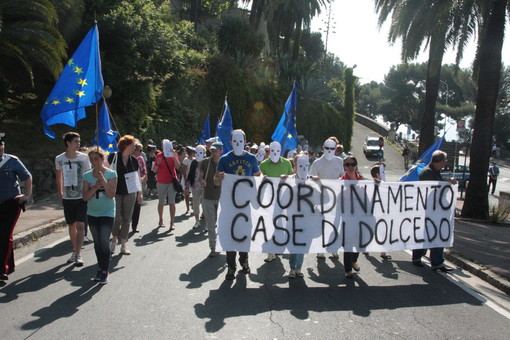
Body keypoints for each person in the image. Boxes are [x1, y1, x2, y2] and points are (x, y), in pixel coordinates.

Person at [214, 129, 261, 280]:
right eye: (235, 141)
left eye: (241, 141)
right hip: (229, 204)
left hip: (245, 204)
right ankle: (231, 267)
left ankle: (244, 261)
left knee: (244, 234)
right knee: (229, 234)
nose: (238, 144)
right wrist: (220, 178)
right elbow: (215, 181)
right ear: (230, 142)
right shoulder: (224, 159)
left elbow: (258, 177)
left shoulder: (252, 158)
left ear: (245, 141)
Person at [412, 150, 456, 272]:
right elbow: (432, 187)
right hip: (427, 210)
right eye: (444, 161)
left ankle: (437, 263)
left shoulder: (435, 172)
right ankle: (417, 257)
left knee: (438, 235)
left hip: (436, 211)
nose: (445, 163)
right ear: (440, 161)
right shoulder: (427, 172)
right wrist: (447, 182)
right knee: (425, 235)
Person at [83, 147, 117, 284]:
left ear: (102, 159)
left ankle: (105, 270)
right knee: (97, 243)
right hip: (92, 213)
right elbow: (85, 197)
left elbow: (111, 195)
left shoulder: (112, 174)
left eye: (96, 159)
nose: (93, 162)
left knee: (104, 240)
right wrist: (95, 188)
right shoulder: (87, 176)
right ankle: (100, 267)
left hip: (107, 212)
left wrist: (102, 180)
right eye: (91, 159)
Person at [55, 132, 91, 266]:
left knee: (81, 225)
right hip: (68, 197)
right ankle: (74, 250)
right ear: (68, 143)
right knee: (72, 225)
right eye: (76, 141)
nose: (79, 143)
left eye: (79, 141)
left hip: (81, 196)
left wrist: (88, 192)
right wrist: (60, 192)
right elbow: (59, 175)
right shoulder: (59, 158)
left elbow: (87, 175)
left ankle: (79, 254)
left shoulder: (84, 158)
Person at [0, 135, 32, 281]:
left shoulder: (11, 161)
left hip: (10, 203)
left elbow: (27, 177)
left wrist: (26, 195)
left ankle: (2, 270)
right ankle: (9, 265)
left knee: (5, 235)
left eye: (1, 145)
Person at [259, 141, 294, 262]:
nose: (275, 153)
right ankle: (270, 251)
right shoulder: (263, 164)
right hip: (268, 200)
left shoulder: (287, 162)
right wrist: (261, 177)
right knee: (268, 224)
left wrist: (288, 177)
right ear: (269, 151)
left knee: (280, 224)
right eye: (272, 151)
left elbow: (293, 176)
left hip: (283, 199)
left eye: (277, 151)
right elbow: (259, 176)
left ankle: (278, 246)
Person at [310, 138, 344, 259]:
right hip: (322, 199)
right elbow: (311, 179)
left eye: (332, 149)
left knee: (335, 224)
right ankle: (320, 249)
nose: (329, 151)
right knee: (322, 224)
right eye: (327, 148)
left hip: (337, 198)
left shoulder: (339, 161)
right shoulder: (317, 163)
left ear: (336, 149)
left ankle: (334, 247)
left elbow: (343, 177)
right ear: (323, 148)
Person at [107, 135, 142, 255]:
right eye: (133, 145)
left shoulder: (134, 160)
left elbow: (137, 177)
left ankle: (123, 244)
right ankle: (113, 240)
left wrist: (140, 193)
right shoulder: (113, 156)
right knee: (116, 218)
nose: (134, 148)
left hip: (130, 192)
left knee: (127, 219)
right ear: (126, 145)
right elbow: (105, 170)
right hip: (116, 192)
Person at [282, 152, 314, 278]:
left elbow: (325, 198)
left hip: (307, 218)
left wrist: (319, 183)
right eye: (300, 165)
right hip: (292, 217)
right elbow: (283, 199)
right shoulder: (289, 181)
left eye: (305, 165)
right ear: (295, 166)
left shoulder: (312, 180)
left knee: (303, 243)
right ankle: (292, 268)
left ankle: (299, 267)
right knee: (293, 242)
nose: (303, 168)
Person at [340, 156, 363, 278]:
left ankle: (354, 261)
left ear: (356, 166)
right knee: (348, 243)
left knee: (359, 242)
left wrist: (377, 183)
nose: (350, 167)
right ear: (344, 167)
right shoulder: (341, 181)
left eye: (352, 164)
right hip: (346, 218)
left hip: (360, 217)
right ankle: (348, 269)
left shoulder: (362, 180)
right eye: (347, 164)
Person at [200, 142, 223, 257]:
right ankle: (213, 247)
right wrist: (202, 180)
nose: (213, 153)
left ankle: (221, 244)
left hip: (222, 198)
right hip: (208, 196)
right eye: (212, 151)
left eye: (215, 151)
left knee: (221, 223)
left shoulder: (225, 163)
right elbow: (201, 175)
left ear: (220, 151)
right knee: (210, 224)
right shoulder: (205, 162)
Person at [153, 139, 181, 230]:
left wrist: (174, 155)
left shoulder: (173, 154)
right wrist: (158, 162)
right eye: (163, 145)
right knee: (161, 202)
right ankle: (161, 220)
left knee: (172, 202)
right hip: (161, 181)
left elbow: (177, 166)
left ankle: (172, 223)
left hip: (172, 181)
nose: (165, 147)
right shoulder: (158, 155)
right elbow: (154, 170)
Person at [369, 164, 391, 260]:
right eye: (383, 172)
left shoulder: (384, 185)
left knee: (383, 230)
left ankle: (383, 251)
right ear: (377, 174)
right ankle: (365, 247)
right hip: (374, 212)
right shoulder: (371, 185)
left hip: (382, 212)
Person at [187, 145, 205, 230]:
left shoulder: (206, 162)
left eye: (200, 152)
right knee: (196, 204)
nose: (198, 154)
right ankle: (197, 221)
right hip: (195, 186)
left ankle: (207, 221)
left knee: (205, 204)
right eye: (197, 152)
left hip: (204, 186)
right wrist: (187, 184)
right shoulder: (194, 162)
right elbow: (190, 173)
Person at [131, 142, 147, 233]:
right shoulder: (128, 158)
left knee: (137, 205)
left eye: (142, 150)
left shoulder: (140, 159)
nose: (141, 152)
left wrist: (142, 178)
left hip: (138, 185)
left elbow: (144, 171)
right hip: (129, 185)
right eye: (139, 150)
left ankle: (134, 226)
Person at [182, 146, 195, 214]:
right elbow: (184, 171)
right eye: (193, 152)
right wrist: (186, 180)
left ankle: (193, 205)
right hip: (187, 179)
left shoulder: (195, 159)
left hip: (194, 179)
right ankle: (187, 208)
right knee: (187, 194)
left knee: (194, 194)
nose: (194, 153)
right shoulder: (185, 160)